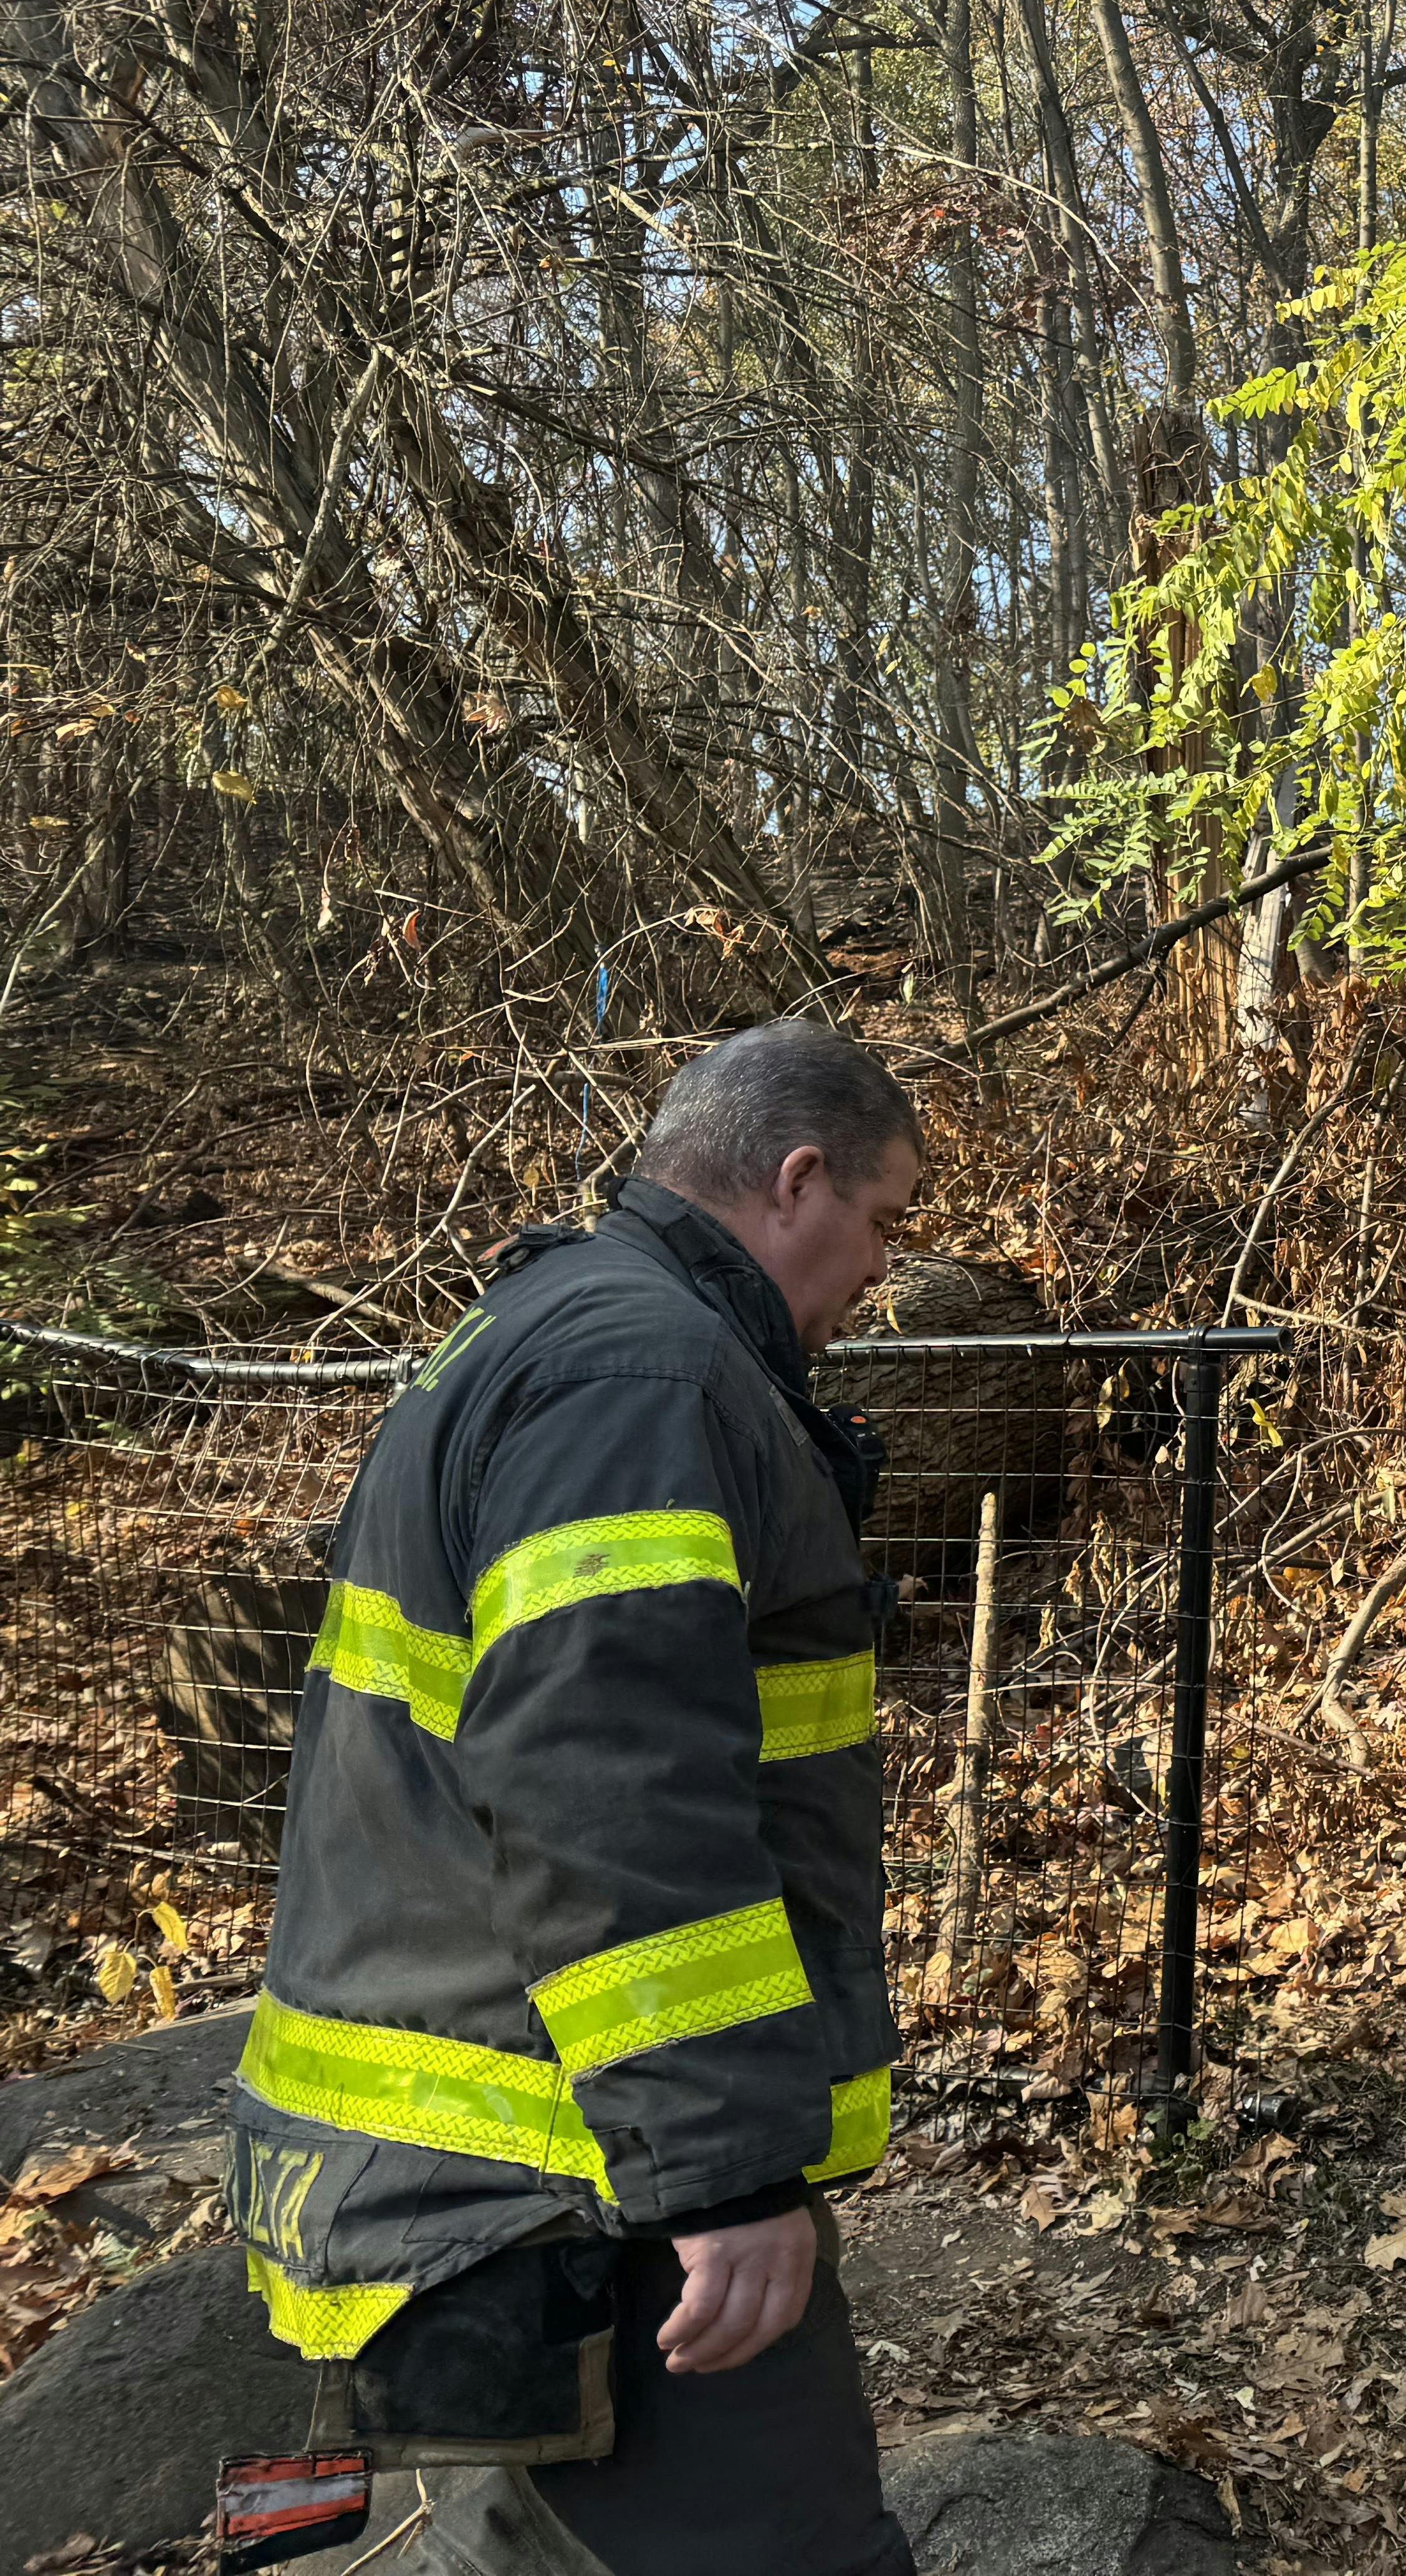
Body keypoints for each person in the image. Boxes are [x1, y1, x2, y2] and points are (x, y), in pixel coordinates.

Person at [228, 1019, 924, 2576]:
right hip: (562, 2187)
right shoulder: (645, 1378)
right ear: (796, 1179)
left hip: (490, 2162)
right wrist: (726, 2170)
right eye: (883, 1219)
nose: (884, 1269)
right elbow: (610, 1787)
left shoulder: (556, 1329)